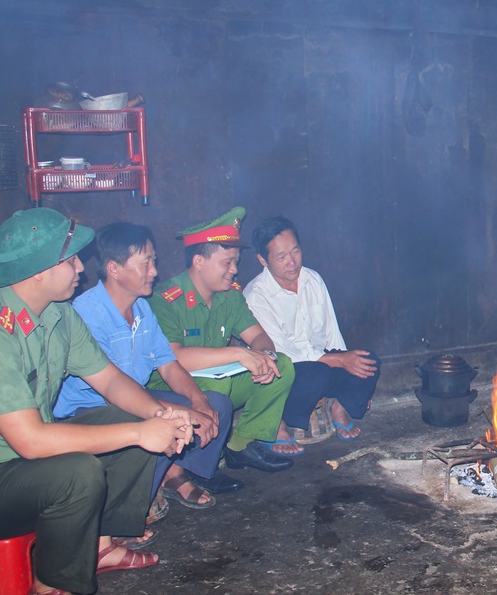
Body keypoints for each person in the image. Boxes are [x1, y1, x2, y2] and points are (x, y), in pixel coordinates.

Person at [0, 208, 194, 595]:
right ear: (40, 270)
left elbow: (111, 380)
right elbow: (30, 441)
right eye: (71, 260)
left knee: (131, 417)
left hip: (15, 469)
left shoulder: (57, 314)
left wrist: (159, 416)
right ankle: (46, 589)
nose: (82, 267)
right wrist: (142, 432)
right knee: (78, 470)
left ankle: (100, 545)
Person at [54, 222, 242, 509]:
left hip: (136, 399)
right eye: (145, 263)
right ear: (114, 269)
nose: (154, 271)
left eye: (154, 261)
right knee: (161, 421)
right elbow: (113, 392)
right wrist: (179, 411)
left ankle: (172, 472)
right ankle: (128, 508)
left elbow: (168, 363)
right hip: (93, 409)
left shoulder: (142, 307)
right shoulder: (87, 314)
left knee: (217, 404)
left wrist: (198, 400)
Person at [147, 207, 299, 473]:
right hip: (173, 384)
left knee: (282, 366)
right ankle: (195, 468)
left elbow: (260, 337)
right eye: (227, 262)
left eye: (237, 262)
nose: (234, 270)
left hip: (217, 379)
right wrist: (239, 354)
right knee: (212, 388)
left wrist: (265, 356)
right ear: (198, 262)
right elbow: (174, 358)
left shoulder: (230, 296)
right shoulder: (165, 300)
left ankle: (239, 446)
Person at [244, 216, 379, 443]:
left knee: (368, 361)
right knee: (316, 374)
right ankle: (279, 420)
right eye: (281, 257)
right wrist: (339, 361)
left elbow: (332, 332)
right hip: (286, 374)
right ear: (262, 260)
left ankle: (339, 407)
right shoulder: (256, 296)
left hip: (323, 363)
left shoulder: (313, 279)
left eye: (295, 251)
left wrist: (350, 369)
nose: (292, 262)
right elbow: (284, 353)